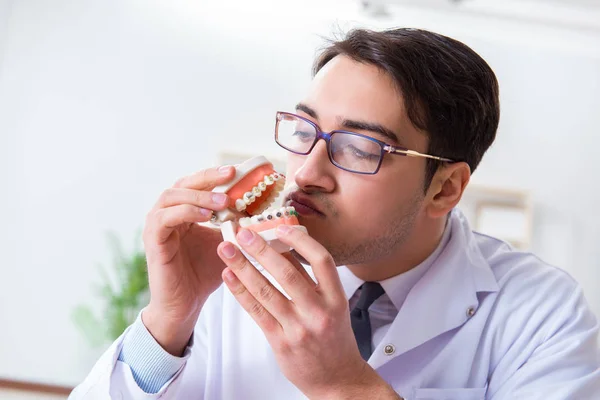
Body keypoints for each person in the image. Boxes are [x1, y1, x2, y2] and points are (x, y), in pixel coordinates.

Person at [70, 28, 600, 400]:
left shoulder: (542, 315)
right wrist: (168, 323)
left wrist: (343, 385)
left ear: (445, 189)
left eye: (359, 148)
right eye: (305, 132)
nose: (307, 172)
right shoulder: (229, 283)